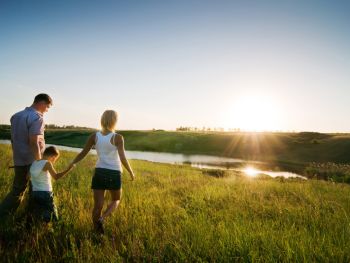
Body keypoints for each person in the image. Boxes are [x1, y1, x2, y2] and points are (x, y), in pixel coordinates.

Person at [71, 110, 135, 234]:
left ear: (102, 119)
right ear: (114, 121)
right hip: (114, 173)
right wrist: (131, 172)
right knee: (116, 200)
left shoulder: (94, 136)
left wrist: (72, 162)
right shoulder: (117, 137)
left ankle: (96, 231)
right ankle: (102, 218)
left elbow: (83, 153)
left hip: (99, 172)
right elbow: (122, 158)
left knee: (98, 205)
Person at [0, 94, 53, 218]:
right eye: (47, 107)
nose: (47, 110)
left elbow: (14, 140)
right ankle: (30, 219)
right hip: (32, 160)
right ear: (42, 103)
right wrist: (39, 162)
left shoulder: (16, 116)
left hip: (19, 159)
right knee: (35, 190)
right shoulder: (37, 117)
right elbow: (34, 142)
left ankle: (5, 216)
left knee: (17, 190)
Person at [28, 146, 75, 223]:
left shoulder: (34, 162)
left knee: (37, 216)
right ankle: (51, 232)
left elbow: (27, 176)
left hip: (35, 193)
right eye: (55, 159)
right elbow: (56, 177)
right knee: (53, 217)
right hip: (46, 194)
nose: (54, 161)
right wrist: (69, 169)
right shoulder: (47, 163)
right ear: (52, 156)